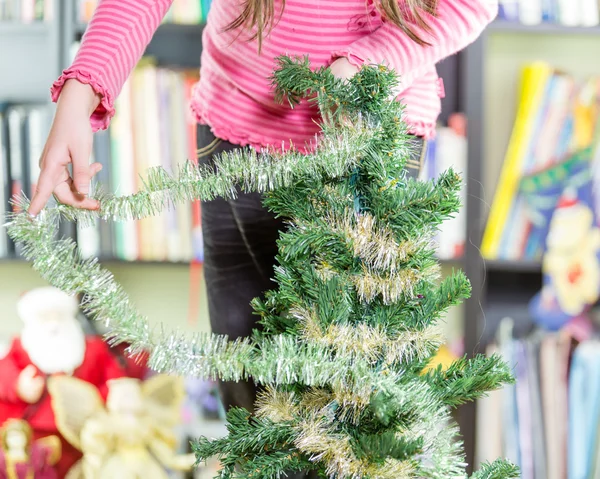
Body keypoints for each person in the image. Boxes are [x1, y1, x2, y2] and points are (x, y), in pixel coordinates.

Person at [28, 0, 498, 476]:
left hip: (371, 142)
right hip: (237, 132)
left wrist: (368, 64)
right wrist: (81, 91)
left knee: (357, 422)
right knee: (253, 411)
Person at [0, 287, 130, 477]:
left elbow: (115, 382)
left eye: (59, 317)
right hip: (30, 439)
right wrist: (18, 386)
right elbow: (3, 374)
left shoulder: (92, 350)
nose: (53, 326)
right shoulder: (20, 349)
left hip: (80, 437)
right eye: (46, 318)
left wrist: (96, 400)